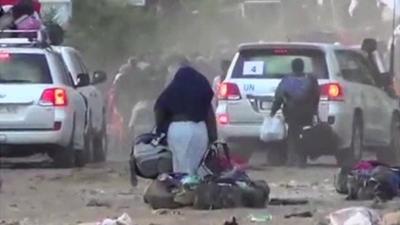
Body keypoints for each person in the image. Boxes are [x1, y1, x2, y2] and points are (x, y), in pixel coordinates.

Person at [154, 64, 217, 175]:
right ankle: (194, 188)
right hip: (199, 129)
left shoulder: (172, 90)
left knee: (179, 165)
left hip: (177, 130)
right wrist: (213, 137)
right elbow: (209, 115)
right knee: (196, 165)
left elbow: (159, 109)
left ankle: (182, 188)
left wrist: (160, 130)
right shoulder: (201, 89)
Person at [270, 58, 320, 167]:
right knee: (305, 135)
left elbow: (278, 97)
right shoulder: (310, 79)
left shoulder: (287, 80)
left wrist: (273, 111)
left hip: (291, 112)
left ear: (292, 67)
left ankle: (291, 159)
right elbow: (316, 96)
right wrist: (315, 111)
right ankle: (302, 160)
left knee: (292, 135)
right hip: (307, 112)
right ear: (303, 67)